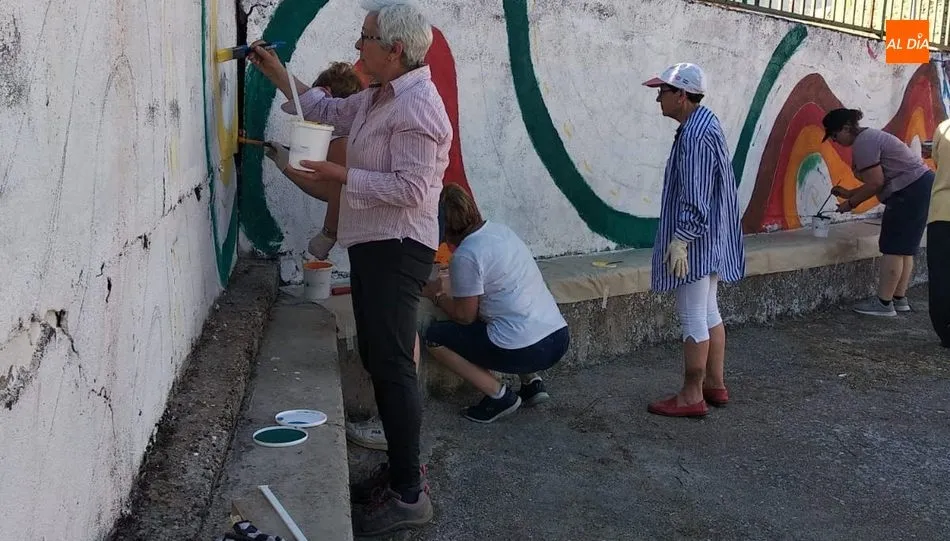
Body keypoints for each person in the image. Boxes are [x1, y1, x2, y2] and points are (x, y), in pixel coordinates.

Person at [249, 0, 451, 535]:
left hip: (397, 245)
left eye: (364, 37)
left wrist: (341, 175)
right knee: (380, 357)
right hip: (374, 244)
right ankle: (401, 473)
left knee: (390, 363)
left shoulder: (419, 108)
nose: (356, 46)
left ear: (395, 49)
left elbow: (414, 189)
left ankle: (409, 493)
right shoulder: (377, 97)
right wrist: (279, 76)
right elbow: (326, 110)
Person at [641, 62, 746, 418]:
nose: (658, 99)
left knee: (692, 317)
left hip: (696, 240)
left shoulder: (694, 135)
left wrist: (681, 239)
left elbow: (695, 197)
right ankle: (714, 385)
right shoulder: (704, 123)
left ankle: (691, 394)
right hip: (711, 237)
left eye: (663, 92)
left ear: (682, 96)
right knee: (709, 311)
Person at [420, 184, 570, 423]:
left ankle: (498, 395)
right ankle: (531, 383)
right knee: (503, 313)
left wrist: (435, 296)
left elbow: (465, 316)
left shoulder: (466, 254)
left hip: (526, 349)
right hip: (558, 337)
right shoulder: (502, 231)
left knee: (435, 336)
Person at [822, 107, 935, 317]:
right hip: (921, 186)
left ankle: (884, 304)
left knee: (892, 247)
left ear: (846, 128)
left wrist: (850, 204)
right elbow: (878, 180)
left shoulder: (863, 143)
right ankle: (899, 299)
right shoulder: (872, 137)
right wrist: (849, 193)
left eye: (835, 136)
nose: (835, 141)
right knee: (905, 248)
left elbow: (875, 183)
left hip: (907, 191)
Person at [264, 61, 363, 260]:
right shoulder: (347, 139)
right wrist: (286, 163)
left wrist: (328, 234)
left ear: (325, 95)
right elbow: (330, 188)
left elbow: (336, 194)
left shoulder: (341, 143)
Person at [924, 121, 950, 346]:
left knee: (941, 275)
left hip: (942, 212)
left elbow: (937, 161)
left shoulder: (944, 128)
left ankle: (946, 330)